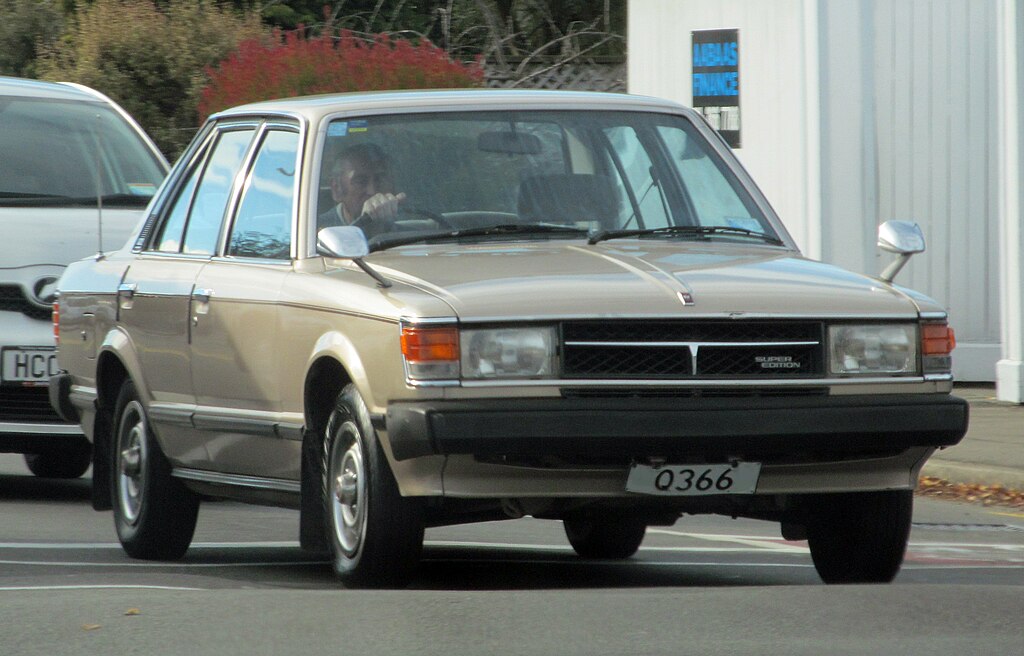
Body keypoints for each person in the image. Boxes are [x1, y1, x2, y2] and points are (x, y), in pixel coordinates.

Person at [318, 143, 406, 238]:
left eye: (379, 179)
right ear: (337, 189)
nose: (371, 191)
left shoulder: (410, 226)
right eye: (360, 181)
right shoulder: (317, 234)